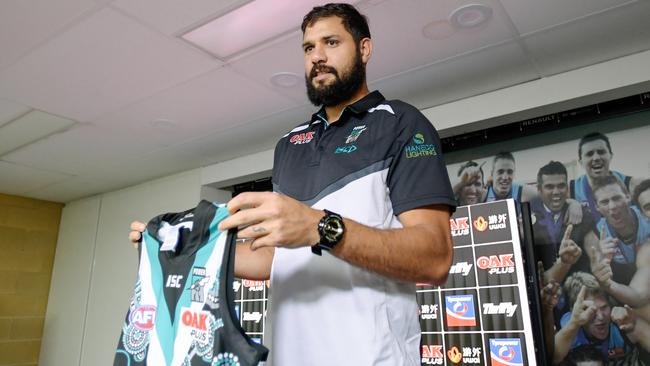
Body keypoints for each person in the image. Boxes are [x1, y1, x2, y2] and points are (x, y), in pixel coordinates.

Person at [130, 3, 456, 365]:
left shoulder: (402, 124)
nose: (317, 56)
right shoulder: (289, 144)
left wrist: (320, 227)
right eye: (308, 48)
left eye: (331, 42)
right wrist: (180, 252)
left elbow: (435, 258)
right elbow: (274, 258)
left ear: (364, 48)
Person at [553, 272, 648, 365]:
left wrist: (636, 322)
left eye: (604, 307)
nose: (601, 317)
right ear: (575, 311)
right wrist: (574, 324)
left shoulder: (624, 323)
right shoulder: (570, 330)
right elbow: (552, 358)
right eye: (592, 310)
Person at [587, 176, 650, 307]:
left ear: (628, 197)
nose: (613, 206)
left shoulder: (646, 214)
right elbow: (598, 279)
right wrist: (604, 267)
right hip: (628, 293)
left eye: (616, 198)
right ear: (596, 207)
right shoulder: (595, 236)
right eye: (604, 202)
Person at [530, 161, 598, 284]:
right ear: (539, 190)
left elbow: (596, 255)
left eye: (561, 186)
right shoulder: (528, 216)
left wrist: (600, 261)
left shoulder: (582, 213)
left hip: (578, 288)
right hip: (545, 293)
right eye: (549, 187)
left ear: (567, 188)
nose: (556, 191)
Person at [570, 132, 644, 222]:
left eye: (601, 152)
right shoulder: (571, 190)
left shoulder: (633, 185)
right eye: (589, 154)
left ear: (610, 156)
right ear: (581, 162)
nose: (596, 158)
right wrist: (570, 202)